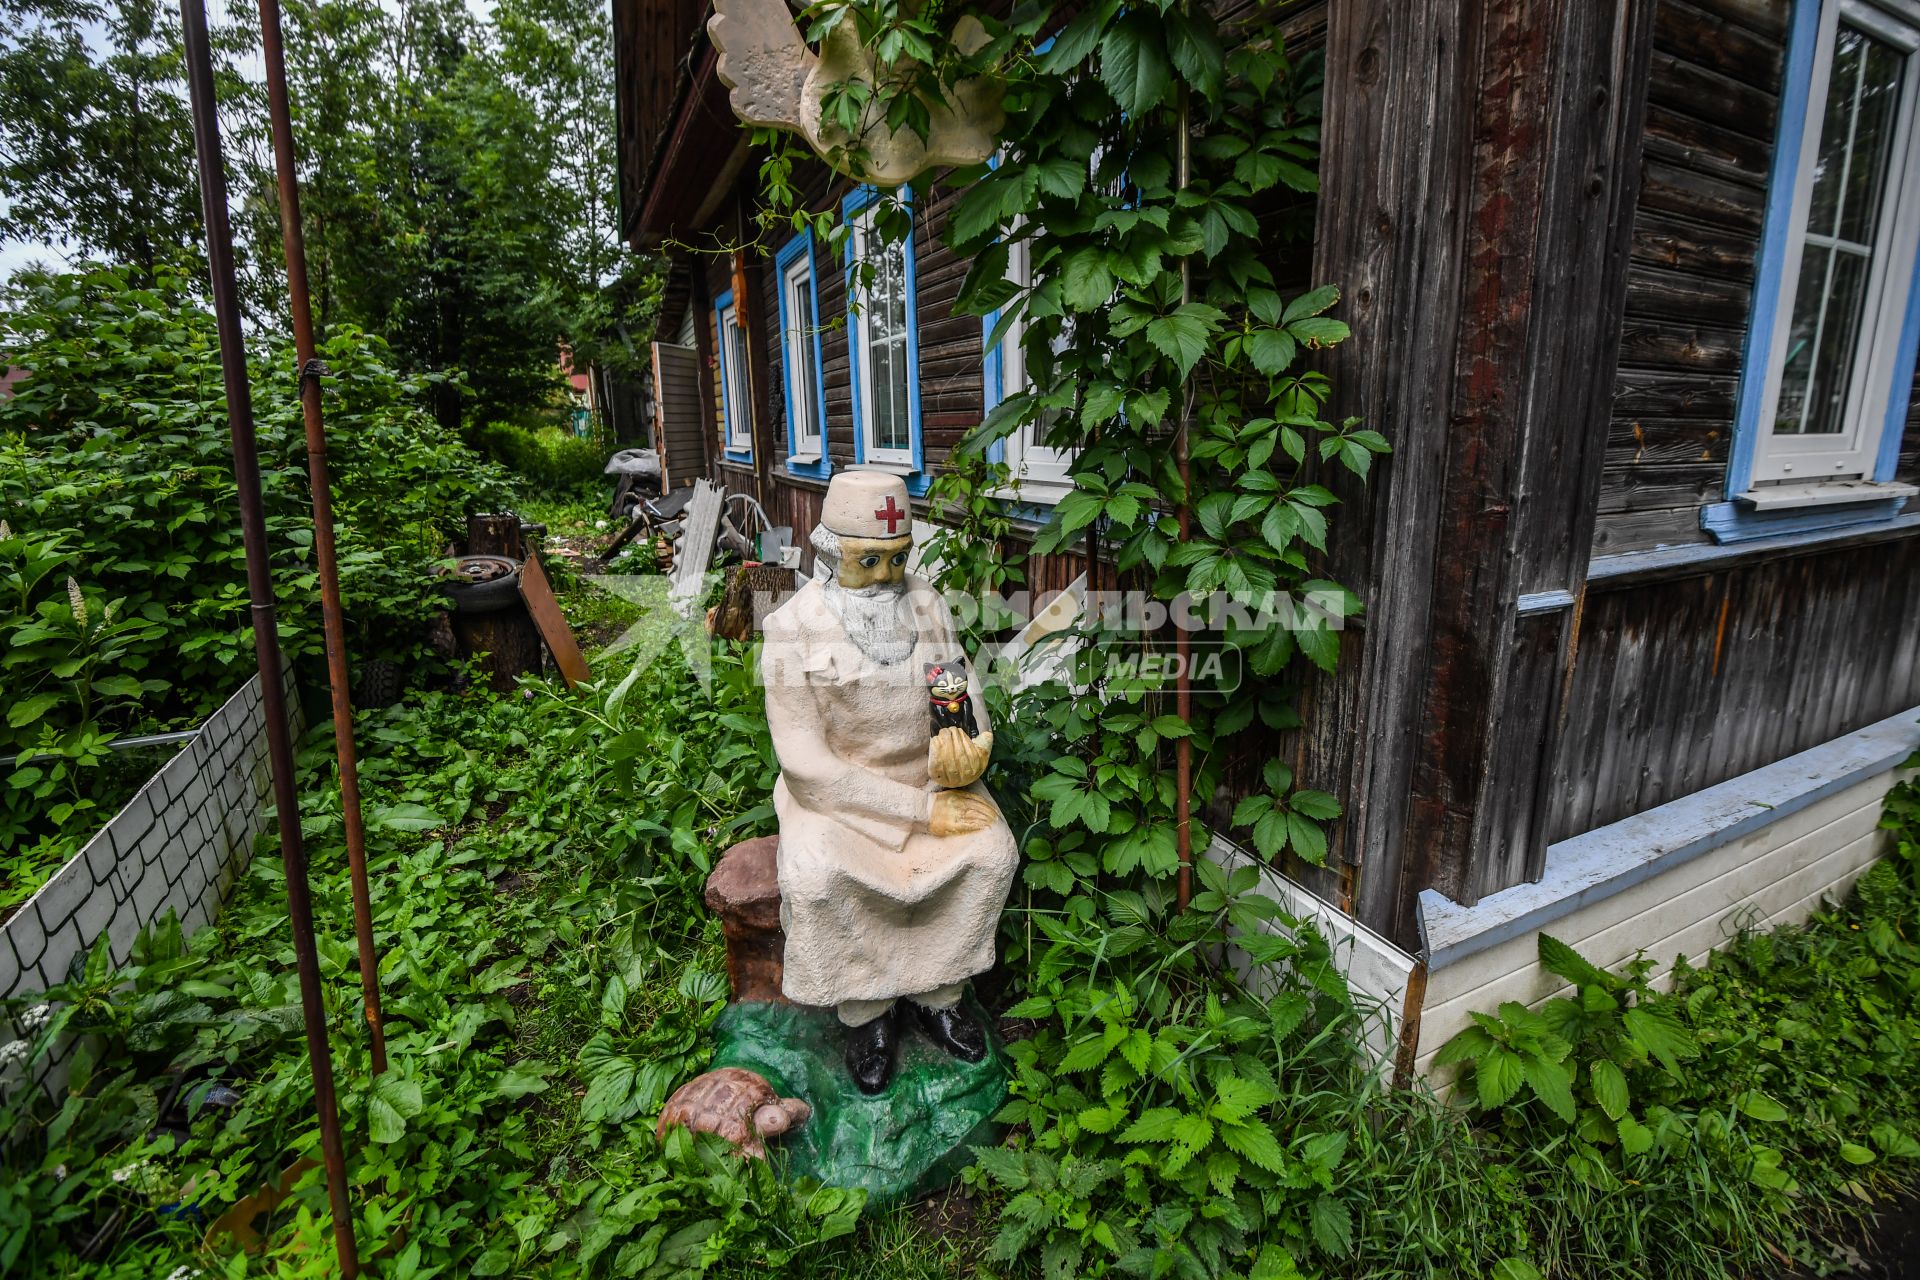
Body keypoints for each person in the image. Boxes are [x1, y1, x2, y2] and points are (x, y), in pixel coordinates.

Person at [761, 469, 1018, 1093]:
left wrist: (967, 748)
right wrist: (918, 814)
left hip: (928, 783)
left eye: (897, 560)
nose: (885, 579)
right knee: (818, 875)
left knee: (989, 851)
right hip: (841, 801)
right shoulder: (791, 629)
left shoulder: (925, 604)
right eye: (868, 562)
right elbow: (807, 766)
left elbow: (954, 693)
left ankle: (940, 991)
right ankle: (865, 1011)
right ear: (828, 553)